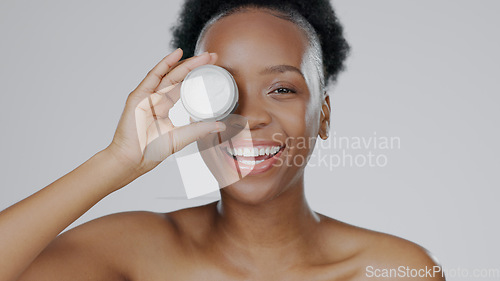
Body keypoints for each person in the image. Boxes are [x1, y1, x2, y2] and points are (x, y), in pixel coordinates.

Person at [0, 0, 446, 280]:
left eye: (283, 89)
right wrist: (117, 161)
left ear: (323, 116)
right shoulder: (136, 252)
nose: (249, 118)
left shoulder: (391, 270)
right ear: (192, 104)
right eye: (221, 90)